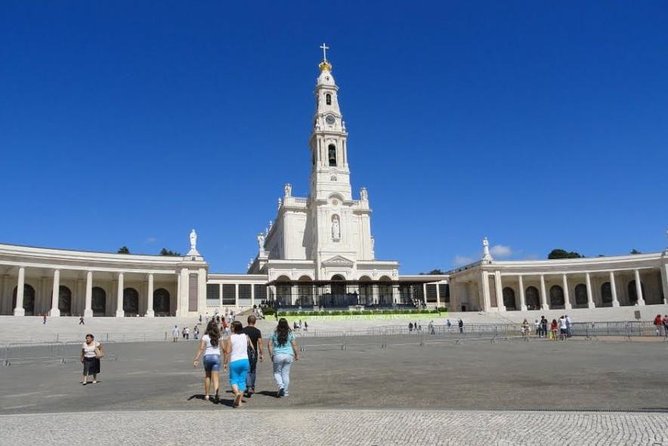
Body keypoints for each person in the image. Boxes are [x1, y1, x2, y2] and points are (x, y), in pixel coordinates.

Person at [223, 321, 253, 408]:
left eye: (232, 327)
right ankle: (239, 402)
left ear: (235, 328)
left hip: (235, 360)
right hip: (245, 360)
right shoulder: (246, 336)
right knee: (242, 381)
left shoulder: (231, 337)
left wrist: (225, 362)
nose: (231, 328)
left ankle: (236, 393)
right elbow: (249, 346)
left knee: (233, 380)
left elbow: (227, 352)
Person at [268, 318, 299, 398]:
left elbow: (269, 345)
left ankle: (281, 386)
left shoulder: (274, 333)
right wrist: (297, 354)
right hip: (289, 355)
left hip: (277, 355)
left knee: (277, 373)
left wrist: (271, 354)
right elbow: (294, 344)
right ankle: (285, 392)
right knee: (285, 374)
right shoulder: (290, 333)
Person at [193, 320, 222, 402]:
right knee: (215, 378)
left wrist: (196, 359)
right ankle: (216, 393)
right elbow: (223, 348)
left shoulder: (205, 336)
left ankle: (207, 395)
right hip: (216, 356)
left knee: (208, 376)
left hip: (207, 357)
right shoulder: (219, 336)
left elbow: (201, 348)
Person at [243, 315, 263, 397]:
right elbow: (260, 343)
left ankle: (248, 386)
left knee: (247, 370)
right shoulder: (257, 331)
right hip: (254, 352)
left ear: (248, 321)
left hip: (245, 352)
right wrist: (261, 353)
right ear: (255, 322)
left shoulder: (243, 330)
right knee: (253, 370)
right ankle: (252, 387)